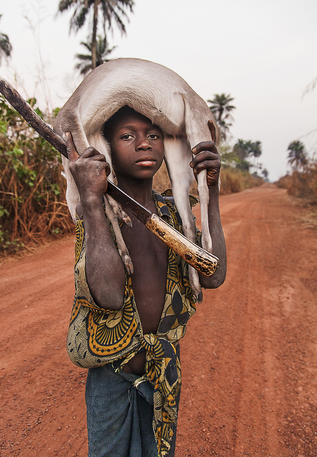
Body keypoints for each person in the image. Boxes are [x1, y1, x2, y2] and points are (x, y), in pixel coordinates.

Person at [64, 106, 226, 457]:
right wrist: (91, 199)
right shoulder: (97, 216)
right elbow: (108, 296)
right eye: (127, 136)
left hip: (163, 369)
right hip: (112, 374)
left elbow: (213, 276)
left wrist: (210, 192)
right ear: (106, 148)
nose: (143, 144)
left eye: (153, 135)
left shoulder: (174, 216)